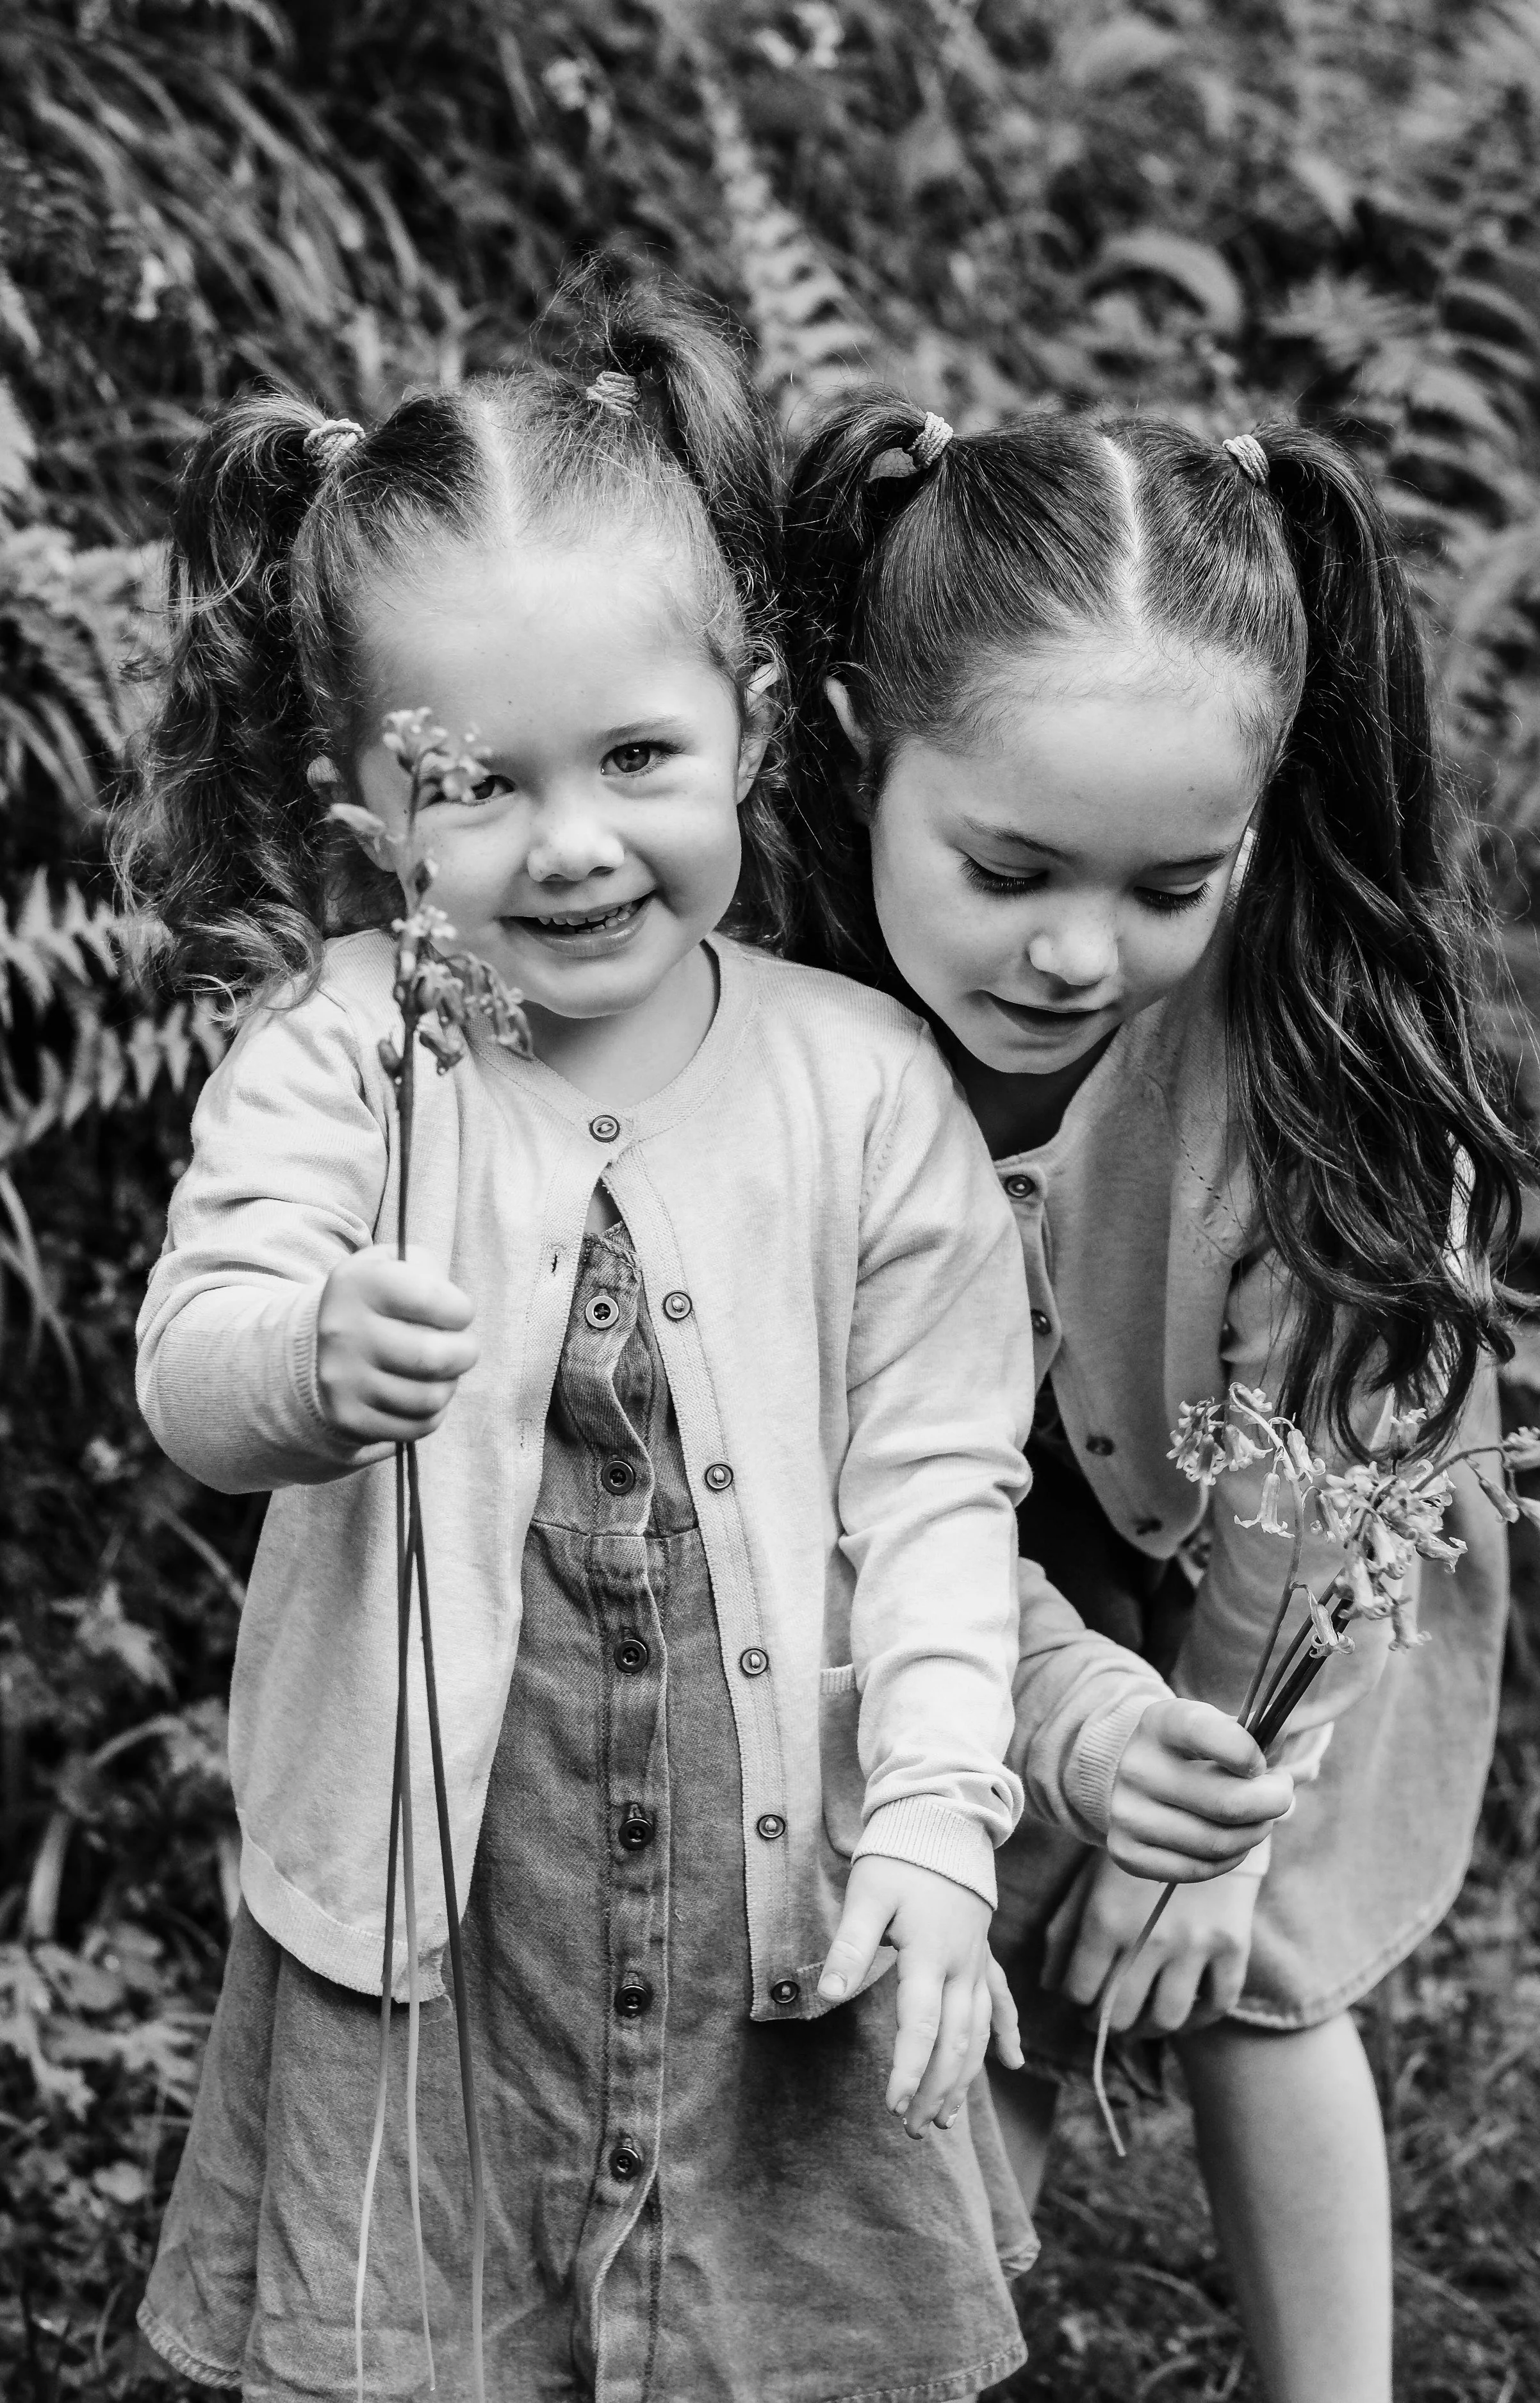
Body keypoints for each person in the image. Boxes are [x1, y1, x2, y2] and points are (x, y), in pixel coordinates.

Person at [116, 290, 1292, 2403]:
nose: (572, 842)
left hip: (782, 1938)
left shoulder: (858, 1092)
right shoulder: (342, 1061)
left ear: (754, 718)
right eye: (481, 785)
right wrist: (303, 1352)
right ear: (366, 802)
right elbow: (192, 1372)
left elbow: (935, 1496)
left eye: (638, 758)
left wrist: (951, 1812)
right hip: (440, 1942)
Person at [780, 402, 1525, 2403]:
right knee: (964, 1918)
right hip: (966, 1515)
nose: (1070, 948)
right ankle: (909, 2327)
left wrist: (1207, 1818)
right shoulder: (769, 998)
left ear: (1253, 837)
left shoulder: (1310, 1074)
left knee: (1252, 1979)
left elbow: (1318, 1499)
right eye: (1007, 864)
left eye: (1165, 884)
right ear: (861, 743)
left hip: (1302, 1537)